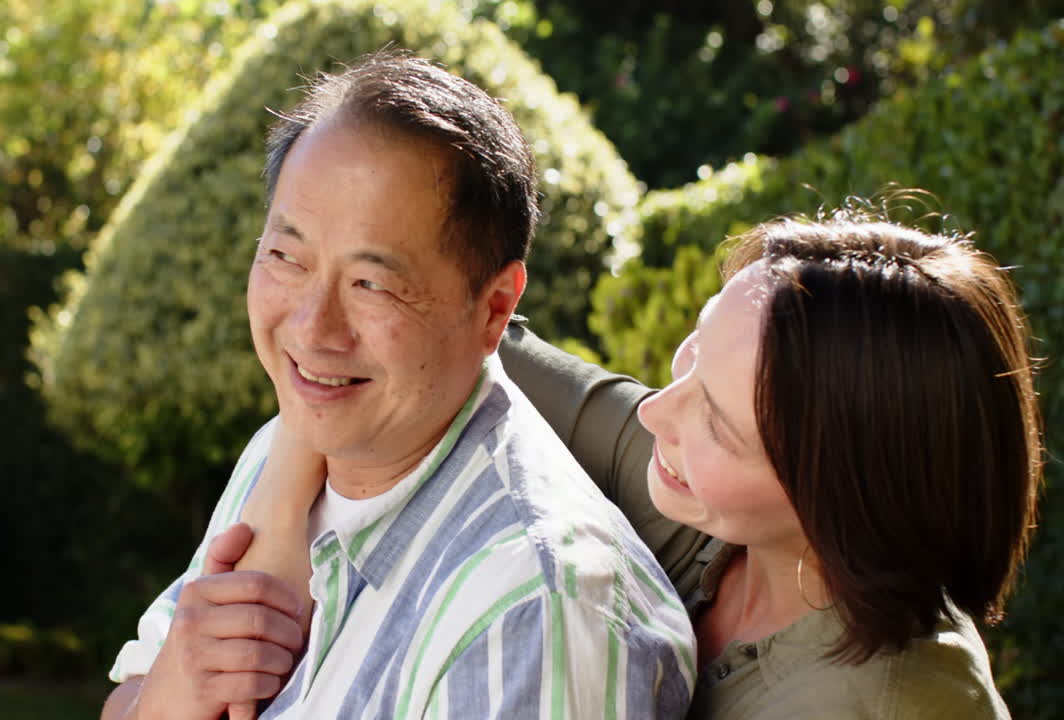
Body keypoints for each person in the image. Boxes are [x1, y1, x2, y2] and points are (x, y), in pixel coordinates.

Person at [100, 53, 695, 720]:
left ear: (494, 307)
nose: (310, 328)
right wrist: (177, 686)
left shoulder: (532, 612)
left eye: (371, 283)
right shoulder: (286, 449)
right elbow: (131, 701)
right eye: (285, 257)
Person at [498, 213, 1043, 718]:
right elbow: (478, 332)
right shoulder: (723, 520)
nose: (654, 410)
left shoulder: (882, 705)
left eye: (716, 423)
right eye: (694, 350)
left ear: (840, 493)